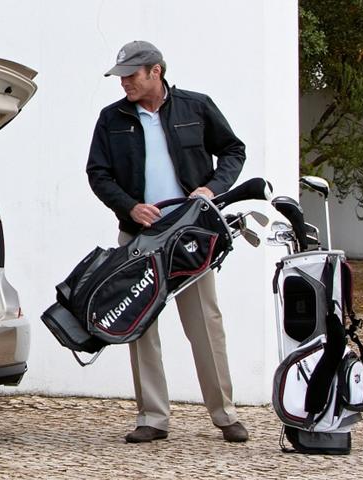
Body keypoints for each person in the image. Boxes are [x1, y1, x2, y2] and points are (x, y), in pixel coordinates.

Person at [85, 40, 250, 444]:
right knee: (138, 326)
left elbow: (233, 150)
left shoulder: (196, 106)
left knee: (205, 324)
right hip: (139, 236)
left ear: (155, 71)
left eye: (131, 75)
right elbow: (98, 173)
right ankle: (153, 417)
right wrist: (131, 207)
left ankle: (225, 413)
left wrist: (212, 189)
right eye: (121, 76)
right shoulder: (112, 119)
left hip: (191, 235)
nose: (124, 82)